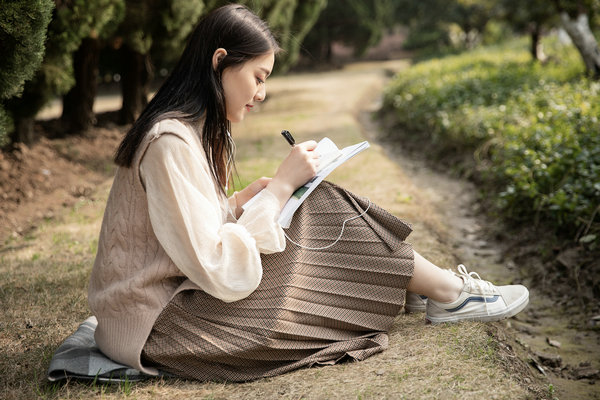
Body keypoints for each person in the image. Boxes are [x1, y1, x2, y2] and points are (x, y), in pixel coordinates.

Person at [88, 4, 529, 382]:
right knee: (313, 203)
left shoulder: (186, 132)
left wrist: (243, 201)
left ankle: (432, 289)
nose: (260, 94)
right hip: (162, 328)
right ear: (220, 61)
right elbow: (218, 267)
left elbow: (182, 228)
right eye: (258, 77)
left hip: (173, 308)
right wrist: (278, 188)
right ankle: (446, 293)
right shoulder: (170, 140)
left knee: (310, 198)